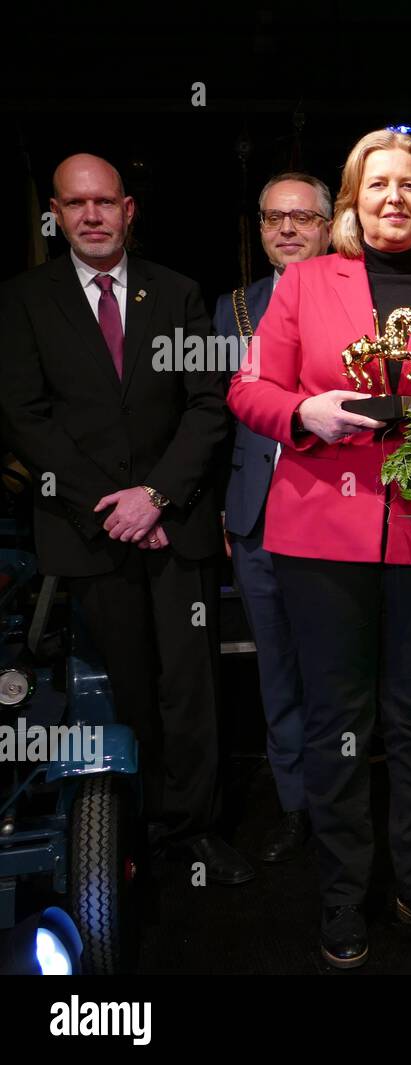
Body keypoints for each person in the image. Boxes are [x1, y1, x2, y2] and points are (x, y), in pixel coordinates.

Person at [227, 129, 411, 969]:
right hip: (319, 533)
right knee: (336, 723)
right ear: (351, 201)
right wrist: (304, 414)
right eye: (379, 185)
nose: (396, 200)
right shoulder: (305, 285)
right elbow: (249, 387)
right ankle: (343, 892)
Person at [0, 153, 253, 884]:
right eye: (76, 204)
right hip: (88, 532)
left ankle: (195, 829)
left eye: (104, 201)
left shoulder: (177, 293)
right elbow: (24, 417)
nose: (91, 215)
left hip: (177, 524)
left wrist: (157, 496)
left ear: (128, 208)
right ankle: (125, 834)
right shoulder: (22, 300)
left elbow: (208, 403)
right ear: (55, 211)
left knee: (192, 686)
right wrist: (110, 506)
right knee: (123, 685)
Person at [216, 171, 333, 863]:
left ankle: (345, 804)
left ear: (327, 225)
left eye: (301, 218)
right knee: (278, 673)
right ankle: (296, 805)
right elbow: (216, 416)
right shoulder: (231, 308)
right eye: (273, 218)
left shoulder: (362, 299)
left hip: (332, 515)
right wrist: (223, 515)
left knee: (341, 673)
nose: (287, 229)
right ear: (260, 229)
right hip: (255, 523)